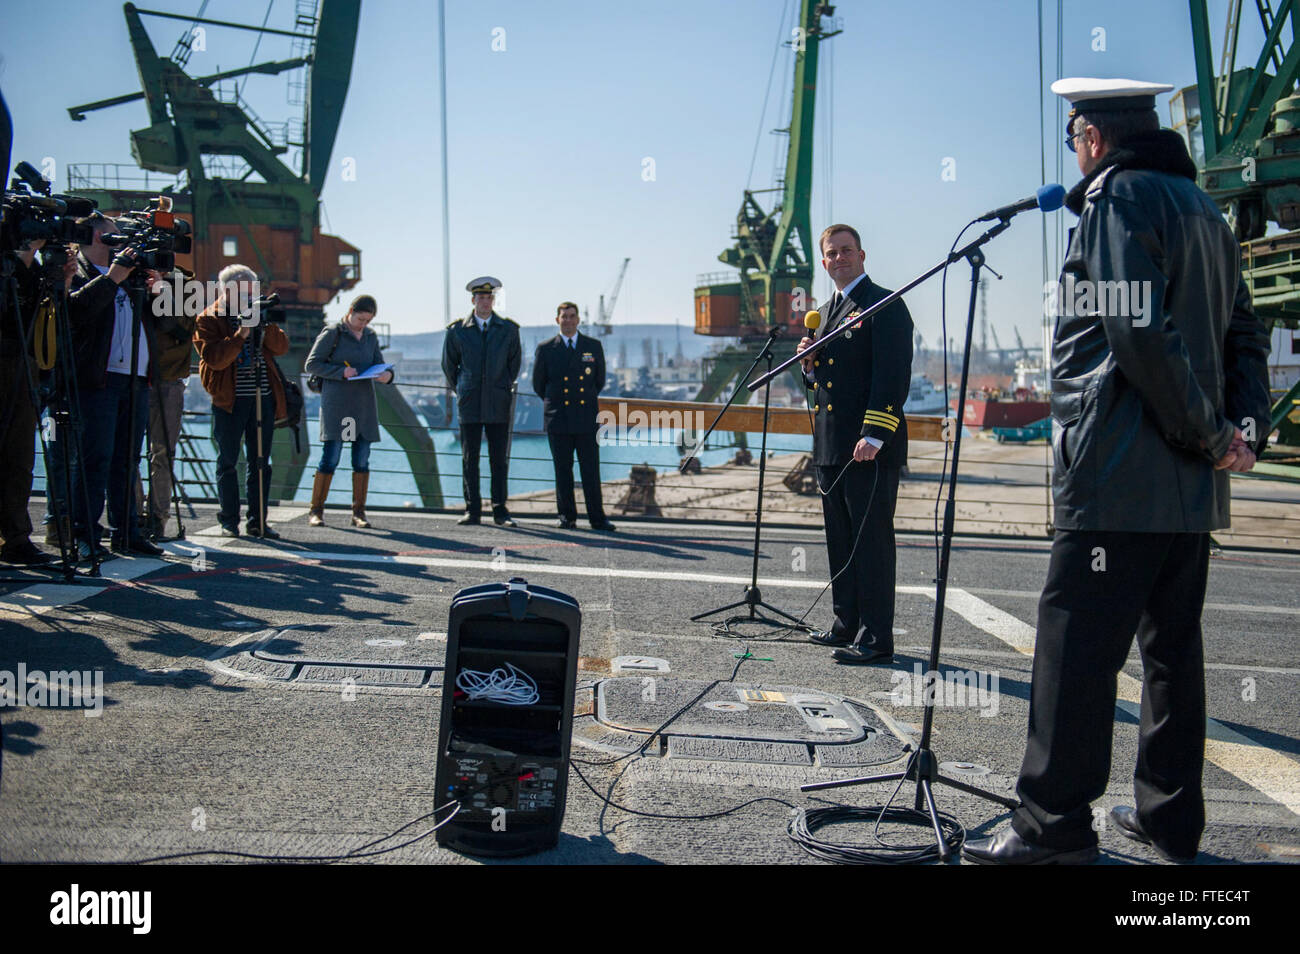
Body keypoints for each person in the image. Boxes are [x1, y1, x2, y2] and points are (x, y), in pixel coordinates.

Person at [962, 79, 1272, 866]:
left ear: (1092, 136)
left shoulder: (1115, 202)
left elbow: (1138, 336)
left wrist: (1208, 433)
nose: (1072, 152)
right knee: (1173, 654)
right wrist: (1244, 429)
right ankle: (1169, 819)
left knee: (1076, 652)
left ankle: (1052, 824)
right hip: (1188, 490)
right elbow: (1244, 330)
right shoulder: (1204, 210)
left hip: (1116, 472)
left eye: (1073, 137)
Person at [797, 224, 913, 665]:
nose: (840, 258)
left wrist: (875, 433)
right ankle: (846, 623)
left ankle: (876, 636)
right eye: (832, 253)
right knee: (840, 541)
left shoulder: (884, 304)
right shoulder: (826, 311)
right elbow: (823, 383)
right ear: (824, 262)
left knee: (871, 542)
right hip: (832, 446)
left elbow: (892, 374)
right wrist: (807, 367)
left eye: (847, 250)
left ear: (862, 255)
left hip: (866, 446)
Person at [65, 213, 164, 559]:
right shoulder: (77, 272)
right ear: (93, 237)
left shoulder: (128, 279)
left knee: (126, 460)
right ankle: (84, 534)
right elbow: (75, 312)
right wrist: (112, 278)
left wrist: (157, 292)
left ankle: (127, 532)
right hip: (99, 379)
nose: (119, 244)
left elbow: (164, 326)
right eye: (112, 237)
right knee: (95, 458)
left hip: (135, 378)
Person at [194, 264, 289, 538]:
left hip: (262, 398)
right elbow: (215, 359)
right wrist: (241, 333)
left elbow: (281, 348)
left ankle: (258, 521)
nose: (249, 298)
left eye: (252, 292)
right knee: (228, 461)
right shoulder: (208, 319)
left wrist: (263, 321)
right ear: (225, 291)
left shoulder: (258, 314)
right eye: (243, 293)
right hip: (229, 400)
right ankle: (228, 521)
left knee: (261, 461)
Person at [304, 294, 394, 528]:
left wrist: (387, 376)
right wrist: (340, 373)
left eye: (367, 321)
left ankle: (359, 513)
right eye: (360, 319)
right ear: (351, 311)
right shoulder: (332, 332)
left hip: (363, 407)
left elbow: (378, 362)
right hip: (338, 407)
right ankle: (316, 511)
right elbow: (312, 364)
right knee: (330, 458)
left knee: (361, 461)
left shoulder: (371, 336)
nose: (363, 325)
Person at [441, 276, 521, 526]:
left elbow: (514, 365)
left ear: (493, 300)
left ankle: (500, 510)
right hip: (470, 403)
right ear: (473, 300)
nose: (485, 302)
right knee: (469, 458)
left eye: (489, 298)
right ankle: (472, 509)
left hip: (498, 401)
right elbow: (448, 366)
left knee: (498, 459)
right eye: (480, 298)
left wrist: (500, 386)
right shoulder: (457, 331)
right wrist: (463, 389)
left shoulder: (508, 329)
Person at [533, 301, 616, 531]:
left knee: (590, 470)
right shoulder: (546, 348)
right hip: (558, 418)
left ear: (578, 319)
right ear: (557, 320)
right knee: (563, 470)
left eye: (571, 316)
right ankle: (567, 517)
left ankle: (597, 518)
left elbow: (598, 381)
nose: (568, 320)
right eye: (563, 316)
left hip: (586, 417)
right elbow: (539, 384)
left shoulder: (593, 346)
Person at [140, 266, 197, 541]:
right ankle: (130, 517)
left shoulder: (184, 285)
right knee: (122, 455)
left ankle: (156, 519)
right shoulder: (126, 274)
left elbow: (182, 330)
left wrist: (161, 292)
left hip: (167, 378)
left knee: (161, 453)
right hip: (129, 375)